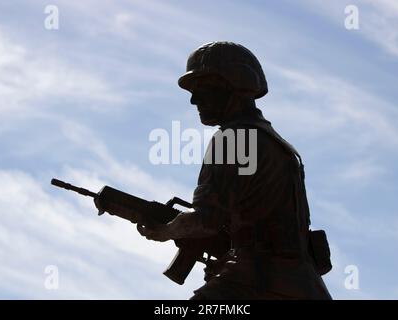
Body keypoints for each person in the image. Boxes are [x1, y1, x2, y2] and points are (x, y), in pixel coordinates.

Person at [137, 41, 332, 299]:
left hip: (258, 280)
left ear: (235, 85)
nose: (194, 99)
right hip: (304, 286)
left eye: (203, 88)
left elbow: (206, 220)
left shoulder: (235, 139)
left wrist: (165, 230)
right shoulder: (277, 144)